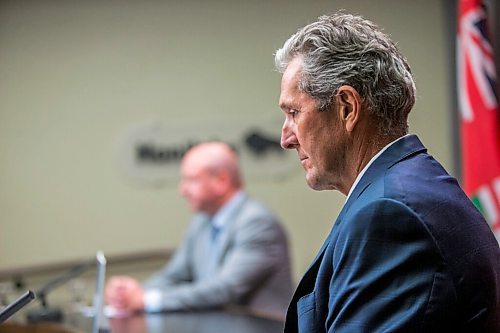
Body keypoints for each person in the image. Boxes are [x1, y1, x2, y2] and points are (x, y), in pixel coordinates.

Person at [275, 12, 500, 332]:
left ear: (347, 108)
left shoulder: (390, 215)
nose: (285, 138)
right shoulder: (412, 190)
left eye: (294, 113)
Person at [105, 142, 293, 318]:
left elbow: (224, 289)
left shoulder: (257, 223)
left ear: (221, 181)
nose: (182, 190)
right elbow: (175, 275)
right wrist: (131, 294)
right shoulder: (202, 222)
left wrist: (146, 300)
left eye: (191, 180)